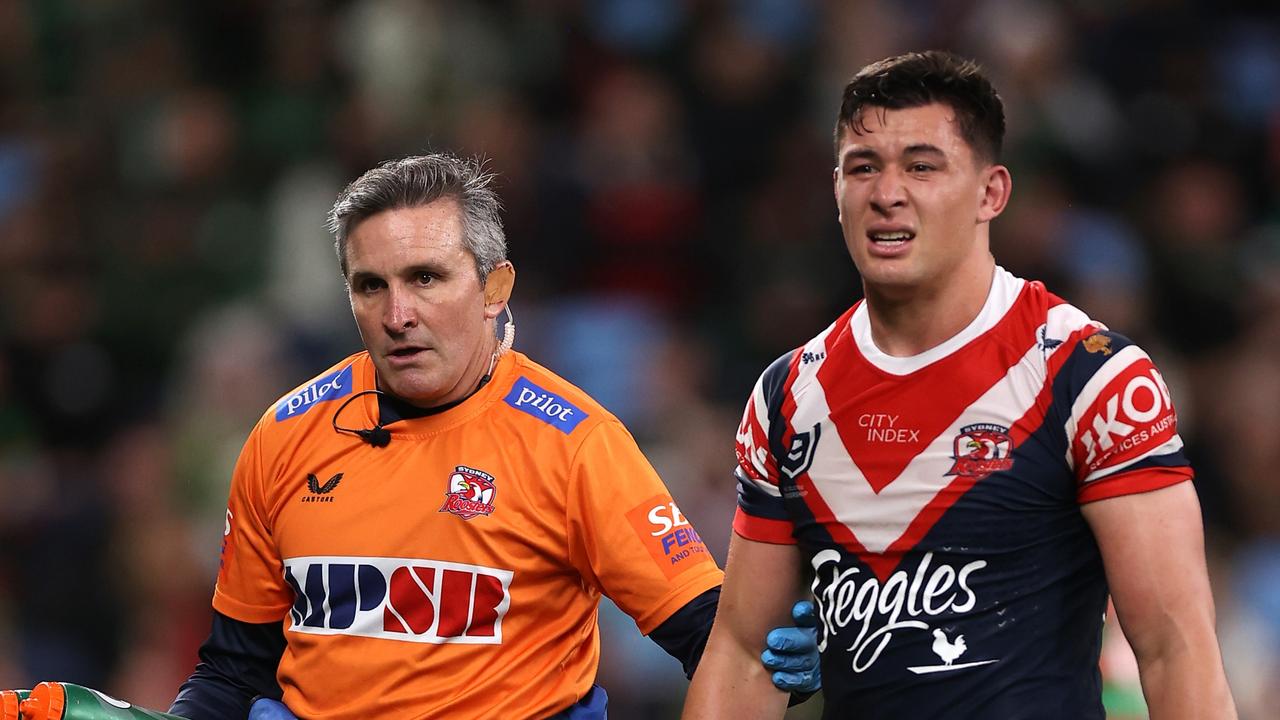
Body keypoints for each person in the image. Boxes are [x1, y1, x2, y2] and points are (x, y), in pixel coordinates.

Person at [162, 153, 816, 719]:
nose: (397, 315)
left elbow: (714, 637)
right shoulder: (284, 437)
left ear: (494, 287)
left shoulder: (574, 444)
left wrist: (773, 649)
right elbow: (233, 672)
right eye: (371, 286)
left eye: (426, 278)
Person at [683, 51, 1237, 719]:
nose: (888, 192)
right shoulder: (787, 398)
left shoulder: (1090, 378)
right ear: (836, 190)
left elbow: (1175, 647)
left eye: (922, 165)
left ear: (991, 193)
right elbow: (744, 655)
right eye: (864, 167)